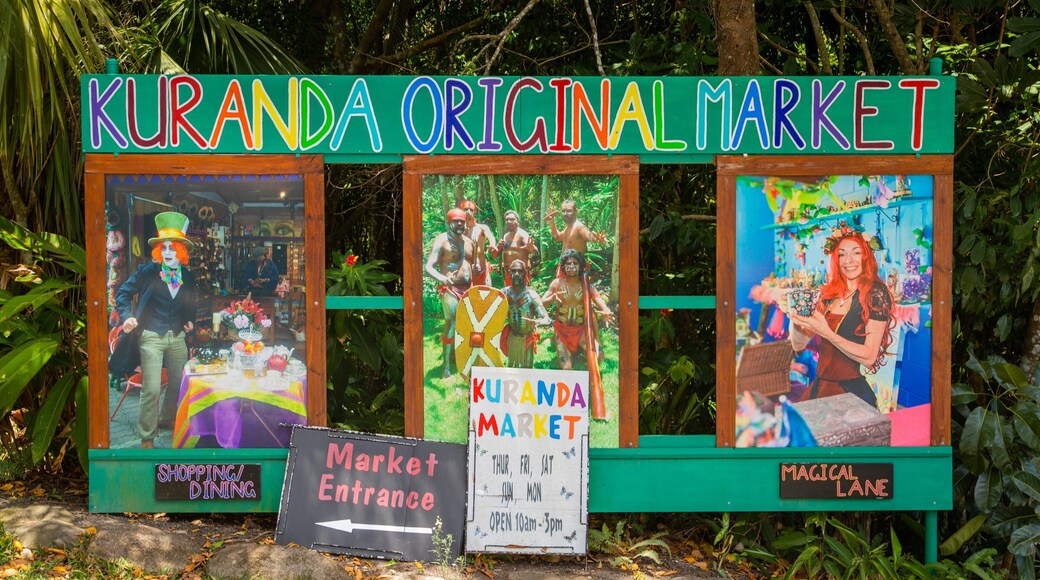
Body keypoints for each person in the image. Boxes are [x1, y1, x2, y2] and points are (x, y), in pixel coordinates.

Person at [787, 224, 895, 409]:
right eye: (842, 254)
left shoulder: (876, 293)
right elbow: (798, 345)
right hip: (819, 388)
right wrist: (794, 317)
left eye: (856, 253)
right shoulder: (830, 294)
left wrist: (826, 332)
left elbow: (869, 357)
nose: (848, 260)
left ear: (866, 256)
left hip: (850, 394)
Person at [115, 212, 196, 449]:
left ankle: (168, 420)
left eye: (173, 247)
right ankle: (147, 437)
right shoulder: (147, 272)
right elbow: (122, 293)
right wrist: (127, 316)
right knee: (150, 389)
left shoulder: (188, 277)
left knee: (177, 384)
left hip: (177, 336)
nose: (169, 251)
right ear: (159, 249)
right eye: (165, 247)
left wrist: (189, 320)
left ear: (181, 251)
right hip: (150, 335)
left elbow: (190, 303)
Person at [542, 249, 613, 419]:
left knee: (599, 356)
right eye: (568, 264)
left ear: (580, 266)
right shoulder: (556, 284)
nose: (572, 266)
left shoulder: (586, 285)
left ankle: (582, 355)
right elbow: (542, 303)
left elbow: (599, 301)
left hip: (582, 331)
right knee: (566, 369)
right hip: (562, 332)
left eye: (575, 263)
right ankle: (574, 406)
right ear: (563, 267)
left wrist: (606, 310)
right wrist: (552, 299)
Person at [425, 208, 475, 377]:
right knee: (451, 325)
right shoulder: (441, 241)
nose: (460, 224)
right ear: (449, 222)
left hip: (468, 289)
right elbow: (428, 267)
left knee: (469, 326)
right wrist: (442, 278)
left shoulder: (469, 242)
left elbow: (471, 264)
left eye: (462, 221)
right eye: (456, 221)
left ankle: (464, 361)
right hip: (451, 290)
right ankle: (446, 367)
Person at [502, 260, 550, 368]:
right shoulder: (503, 293)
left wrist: (538, 321)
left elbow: (546, 318)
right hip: (512, 337)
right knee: (511, 369)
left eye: (520, 271)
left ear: (525, 273)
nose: (517, 274)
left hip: (527, 338)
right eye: (514, 271)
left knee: (527, 370)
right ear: (509, 273)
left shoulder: (531, 295)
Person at [491, 210, 539, 285]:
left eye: (512, 219)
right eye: (507, 220)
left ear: (518, 222)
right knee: (509, 296)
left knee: (522, 296)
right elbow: (493, 256)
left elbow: (535, 251)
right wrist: (498, 247)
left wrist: (531, 248)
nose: (509, 222)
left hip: (521, 275)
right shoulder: (505, 236)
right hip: (509, 274)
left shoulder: (522, 234)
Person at [459, 199, 496, 286]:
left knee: (486, 296)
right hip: (467, 270)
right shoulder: (459, 230)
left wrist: (492, 244)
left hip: (482, 268)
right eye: (465, 209)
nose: (468, 211)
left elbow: (490, 236)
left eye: (471, 210)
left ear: (474, 212)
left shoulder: (481, 228)